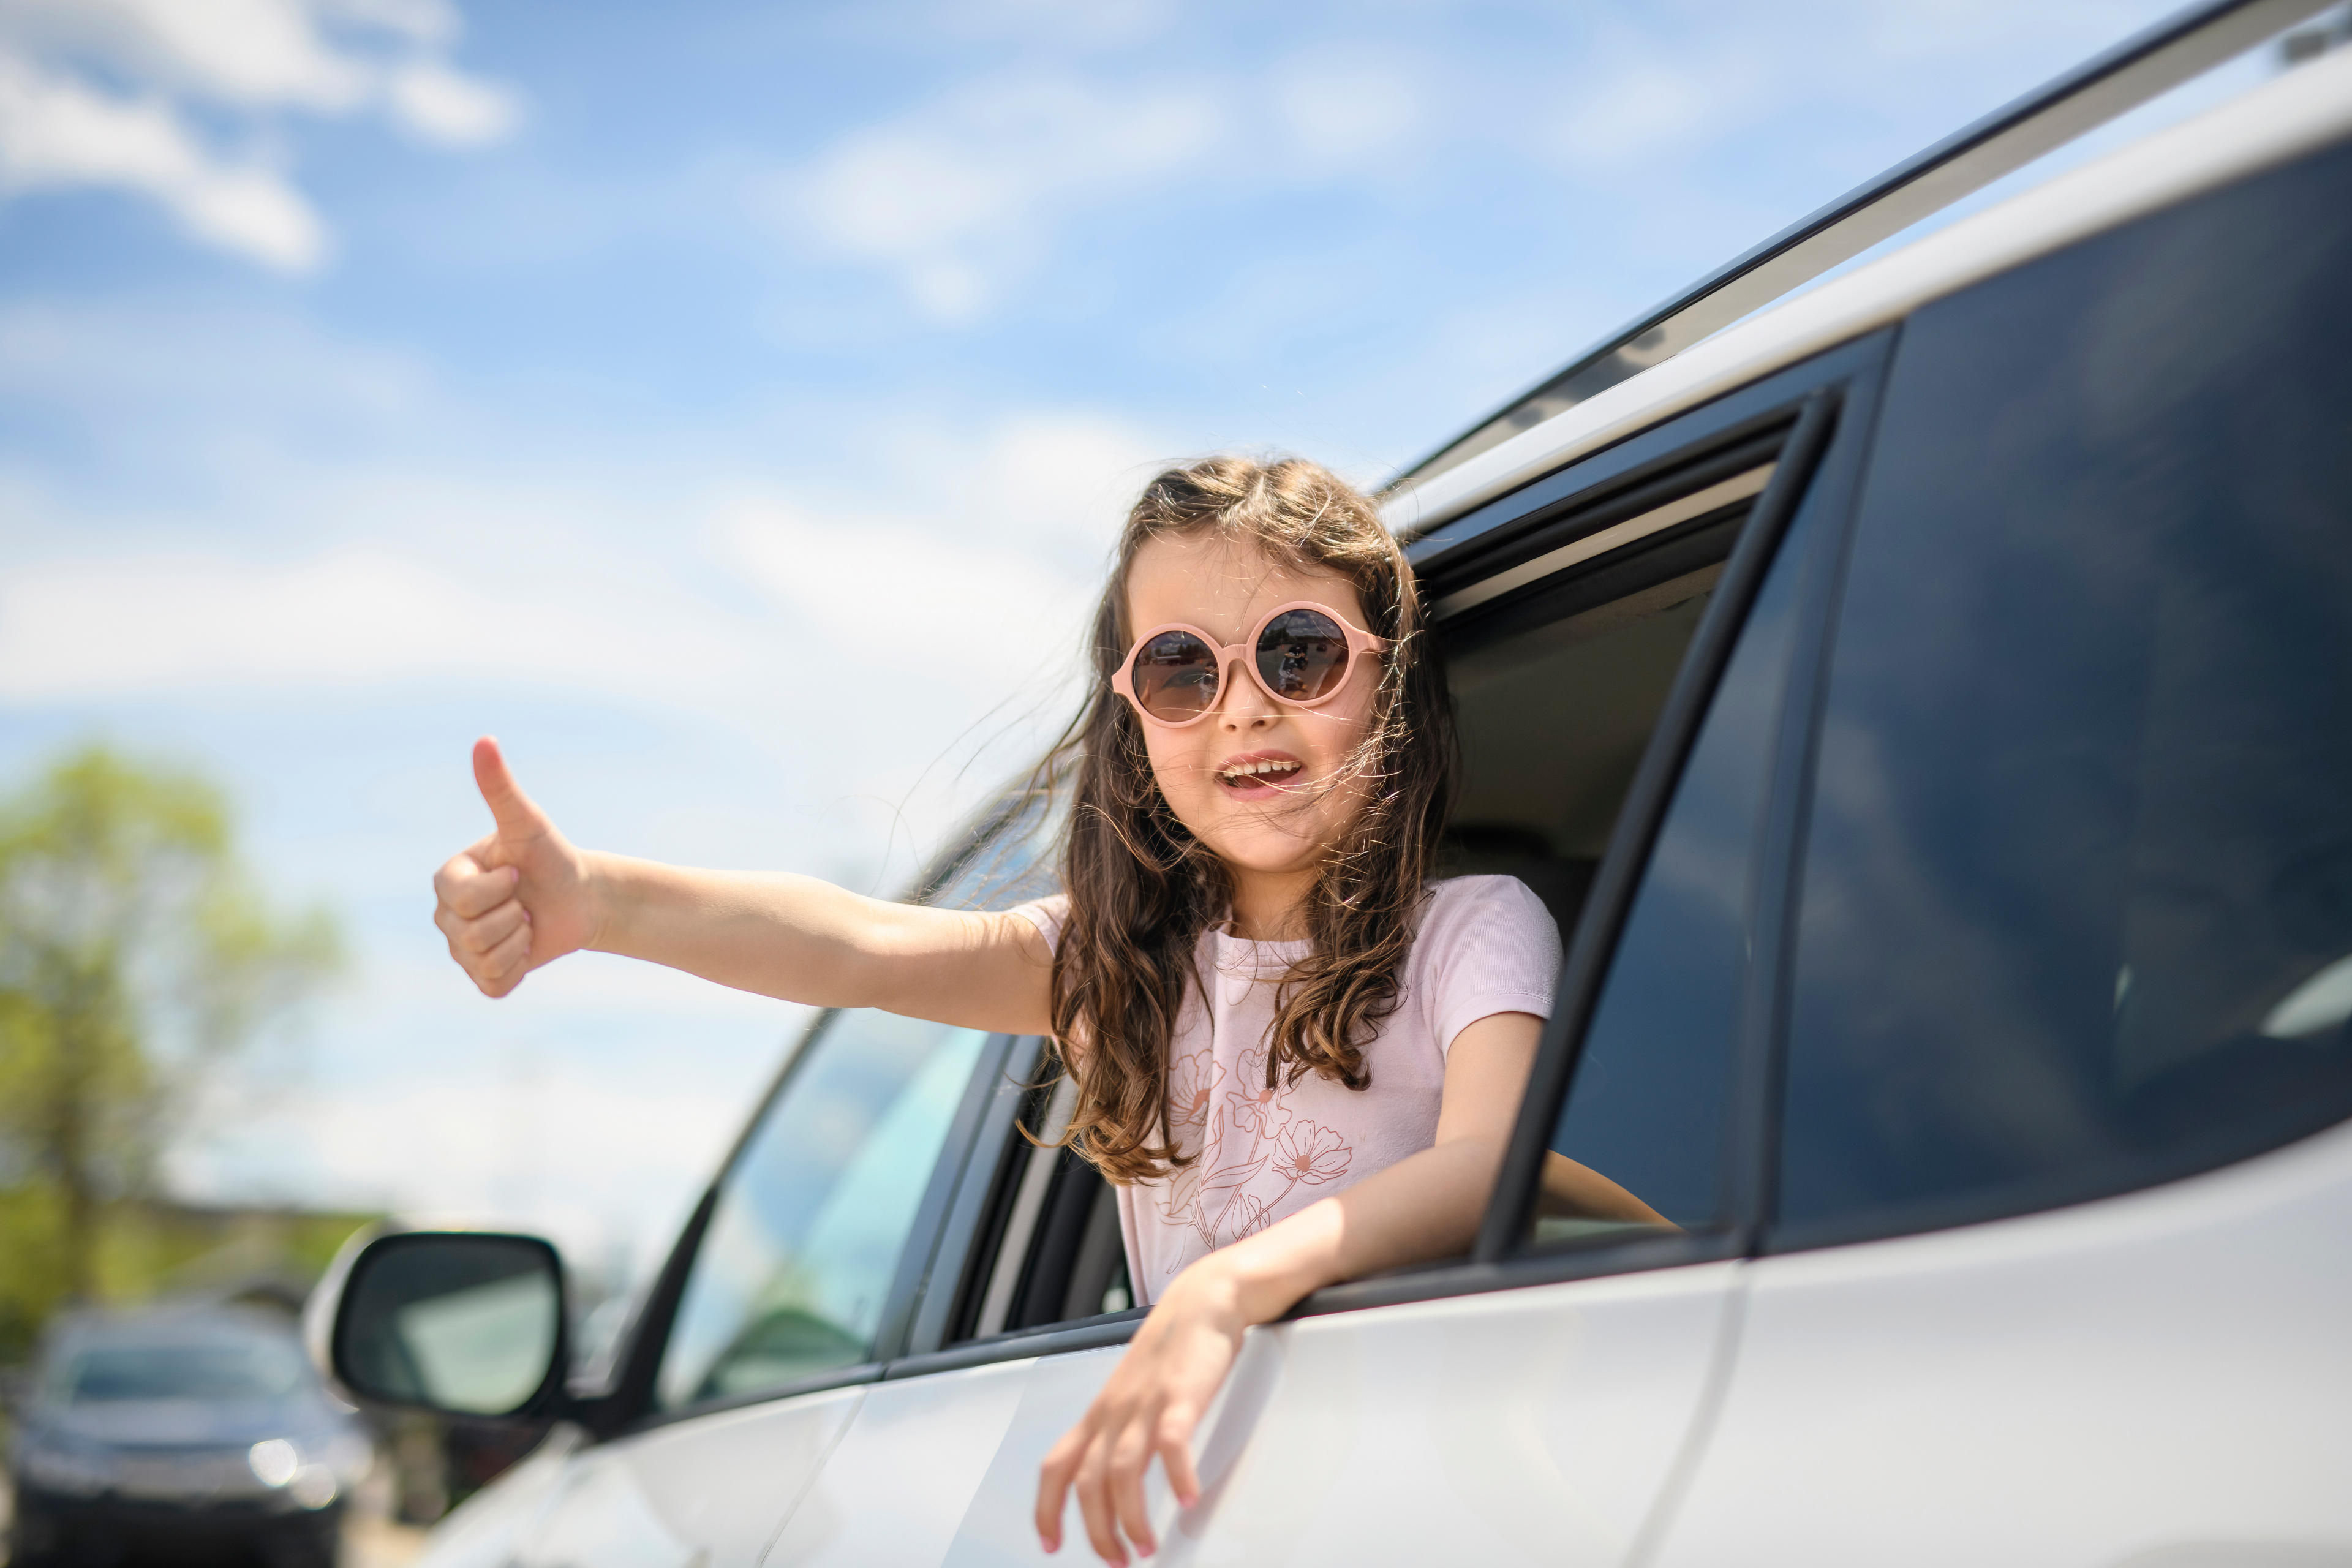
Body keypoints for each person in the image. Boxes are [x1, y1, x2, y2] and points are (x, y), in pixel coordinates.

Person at [431, 455, 1665, 1565]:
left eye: (1296, 650)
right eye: (1182, 667)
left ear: (1385, 673)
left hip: (1426, 1488)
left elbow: (1490, 1159)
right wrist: (599, 899)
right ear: (1135, 714)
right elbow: (865, 942)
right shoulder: (1113, 964)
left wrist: (1218, 1291)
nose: (1241, 704)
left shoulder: (1472, 927)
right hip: (1203, 1511)